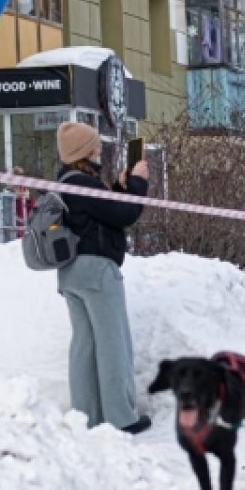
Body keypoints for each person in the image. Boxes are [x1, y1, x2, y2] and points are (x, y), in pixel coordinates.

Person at [55, 121, 151, 434]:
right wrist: (138, 184)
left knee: (85, 344)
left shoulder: (66, 183)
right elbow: (124, 215)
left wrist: (121, 187)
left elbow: (106, 212)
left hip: (70, 272)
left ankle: (86, 415)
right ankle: (122, 417)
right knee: (113, 343)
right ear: (83, 153)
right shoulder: (84, 183)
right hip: (97, 271)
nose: (100, 151)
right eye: (95, 147)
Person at [11, 166, 34, 239]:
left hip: (26, 228)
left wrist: (28, 199)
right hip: (13, 230)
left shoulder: (27, 193)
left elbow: (33, 209)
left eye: (22, 176)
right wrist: (16, 198)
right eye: (18, 176)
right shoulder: (8, 195)